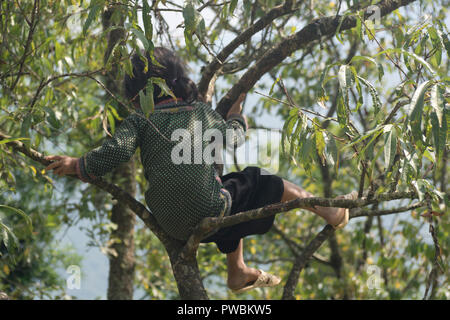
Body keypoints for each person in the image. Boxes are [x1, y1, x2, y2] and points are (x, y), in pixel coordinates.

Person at [45, 47, 357, 293]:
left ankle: (238, 271)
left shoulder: (140, 120)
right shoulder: (202, 113)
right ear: (180, 81)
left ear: (137, 95)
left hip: (171, 225)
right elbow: (233, 138)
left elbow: (117, 151)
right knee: (261, 181)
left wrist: (78, 164)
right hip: (208, 211)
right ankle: (330, 212)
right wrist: (237, 116)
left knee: (227, 188)